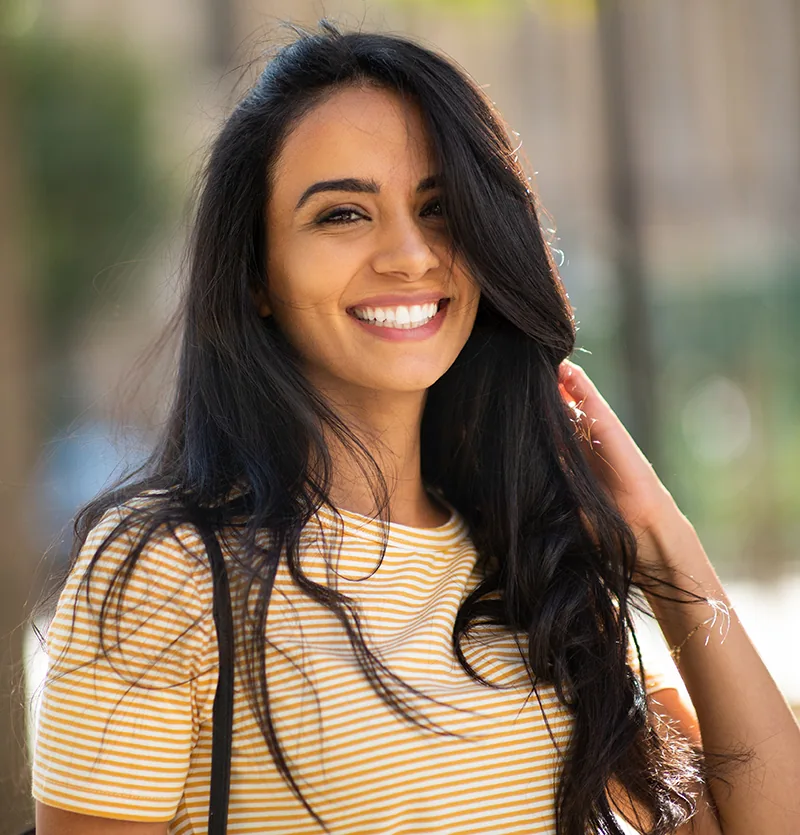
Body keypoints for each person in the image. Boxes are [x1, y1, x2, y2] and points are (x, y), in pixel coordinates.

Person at [31, 20, 800, 835]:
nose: (409, 254)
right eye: (342, 215)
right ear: (258, 273)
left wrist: (659, 537)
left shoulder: (539, 570)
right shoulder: (169, 573)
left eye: (439, 209)